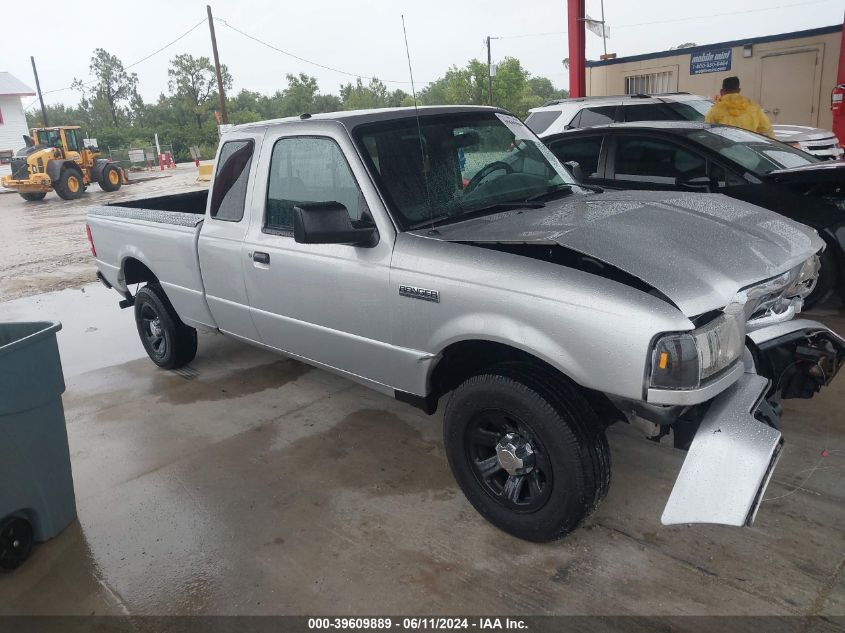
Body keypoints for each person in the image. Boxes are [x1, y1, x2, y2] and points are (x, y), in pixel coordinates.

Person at [704, 76, 774, 137]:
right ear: (739, 90)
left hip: (724, 150)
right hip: (747, 149)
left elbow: (707, 132)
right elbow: (766, 130)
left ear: (722, 91)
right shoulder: (754, 108)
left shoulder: (715, 110)